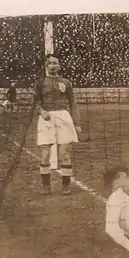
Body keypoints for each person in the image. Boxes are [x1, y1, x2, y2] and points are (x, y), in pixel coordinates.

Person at [33, 54, 84, 195]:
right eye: (50, 63)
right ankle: (45, 186)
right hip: (46, 118)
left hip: (63, 116)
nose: (53, 65)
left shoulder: (66, 82)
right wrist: (41, 111)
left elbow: (73, 103)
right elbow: (35, 103)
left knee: (64, 154)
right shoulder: (40, 82)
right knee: (45, 154)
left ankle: (66, 186)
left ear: (59, 65)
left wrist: (77, 123)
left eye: (56, 63)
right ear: (46, 66)